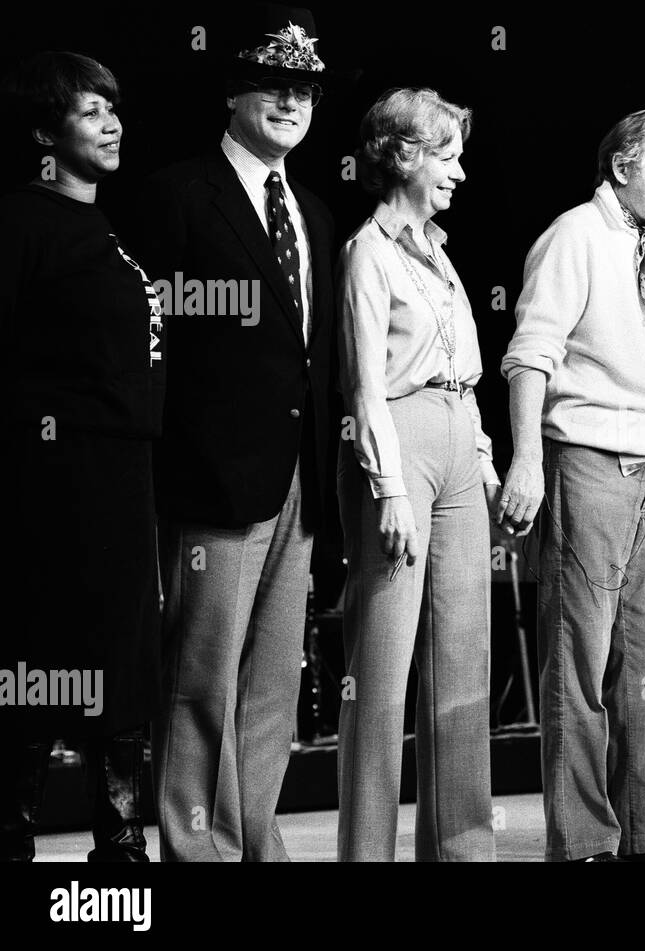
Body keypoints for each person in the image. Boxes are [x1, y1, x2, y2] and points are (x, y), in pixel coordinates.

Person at [130, 7, 338, 861]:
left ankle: (255, 836)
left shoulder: (316, 212)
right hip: (210, 479)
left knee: (272, 685)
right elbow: (150, 346)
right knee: (200, 678)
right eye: (275, 84)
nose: (291, 101)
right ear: (233, 95)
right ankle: (194, 845)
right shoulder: (175, 194)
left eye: (306, 89)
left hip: (298, 479)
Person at [498, 105, 645, 862]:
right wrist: (525, 461)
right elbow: (530, 355)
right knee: (577, 663)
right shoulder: (574, 236)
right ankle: (583, 840)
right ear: (622, 165)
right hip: (586, 461)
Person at [0, 51, 164, 862]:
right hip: (51, 488)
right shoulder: (22, 221)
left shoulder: (99, 223)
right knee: (38, 662)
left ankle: (121, 847)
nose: (112, 122)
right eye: (89, 109)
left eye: (115, 106)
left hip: (119, 483)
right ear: (42, 129)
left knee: (122, 666)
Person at [335, 87, 497, 862]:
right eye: (446, 154)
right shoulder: (367, 251)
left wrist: (484, 453)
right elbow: (365, 385)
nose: (459, 171)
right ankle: (367, 852)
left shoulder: (437, 248)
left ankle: (462, 849)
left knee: (464, 657)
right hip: (396, 443)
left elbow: (458, 364)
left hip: (459, 438)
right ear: (401, 155)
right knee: (382, 667)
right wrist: (389, 486)